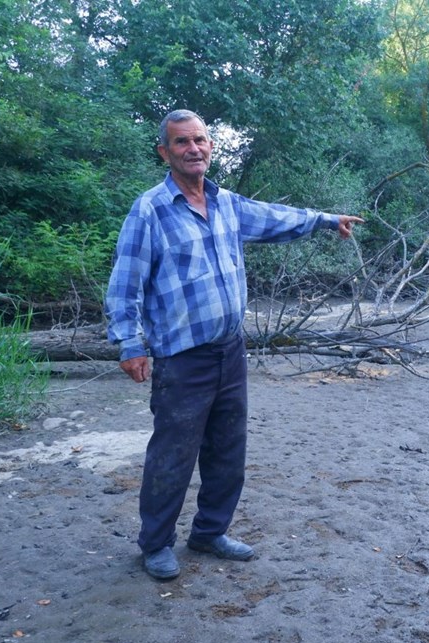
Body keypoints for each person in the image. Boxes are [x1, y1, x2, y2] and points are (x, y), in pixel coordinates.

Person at [105, 109, 364, 580]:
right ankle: (155, 544)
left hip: (229, 351)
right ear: (165, 151)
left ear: (210, 146)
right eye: (181, 142)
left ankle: (209, 532)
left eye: (200, 140)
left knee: (228, 450)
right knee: (173, 454)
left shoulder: (226, 203)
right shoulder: (150, 210)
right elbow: (124, 285)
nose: (193, 149)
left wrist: (327, 220)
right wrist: (129, 344)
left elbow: (276, 218)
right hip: (181, 358)